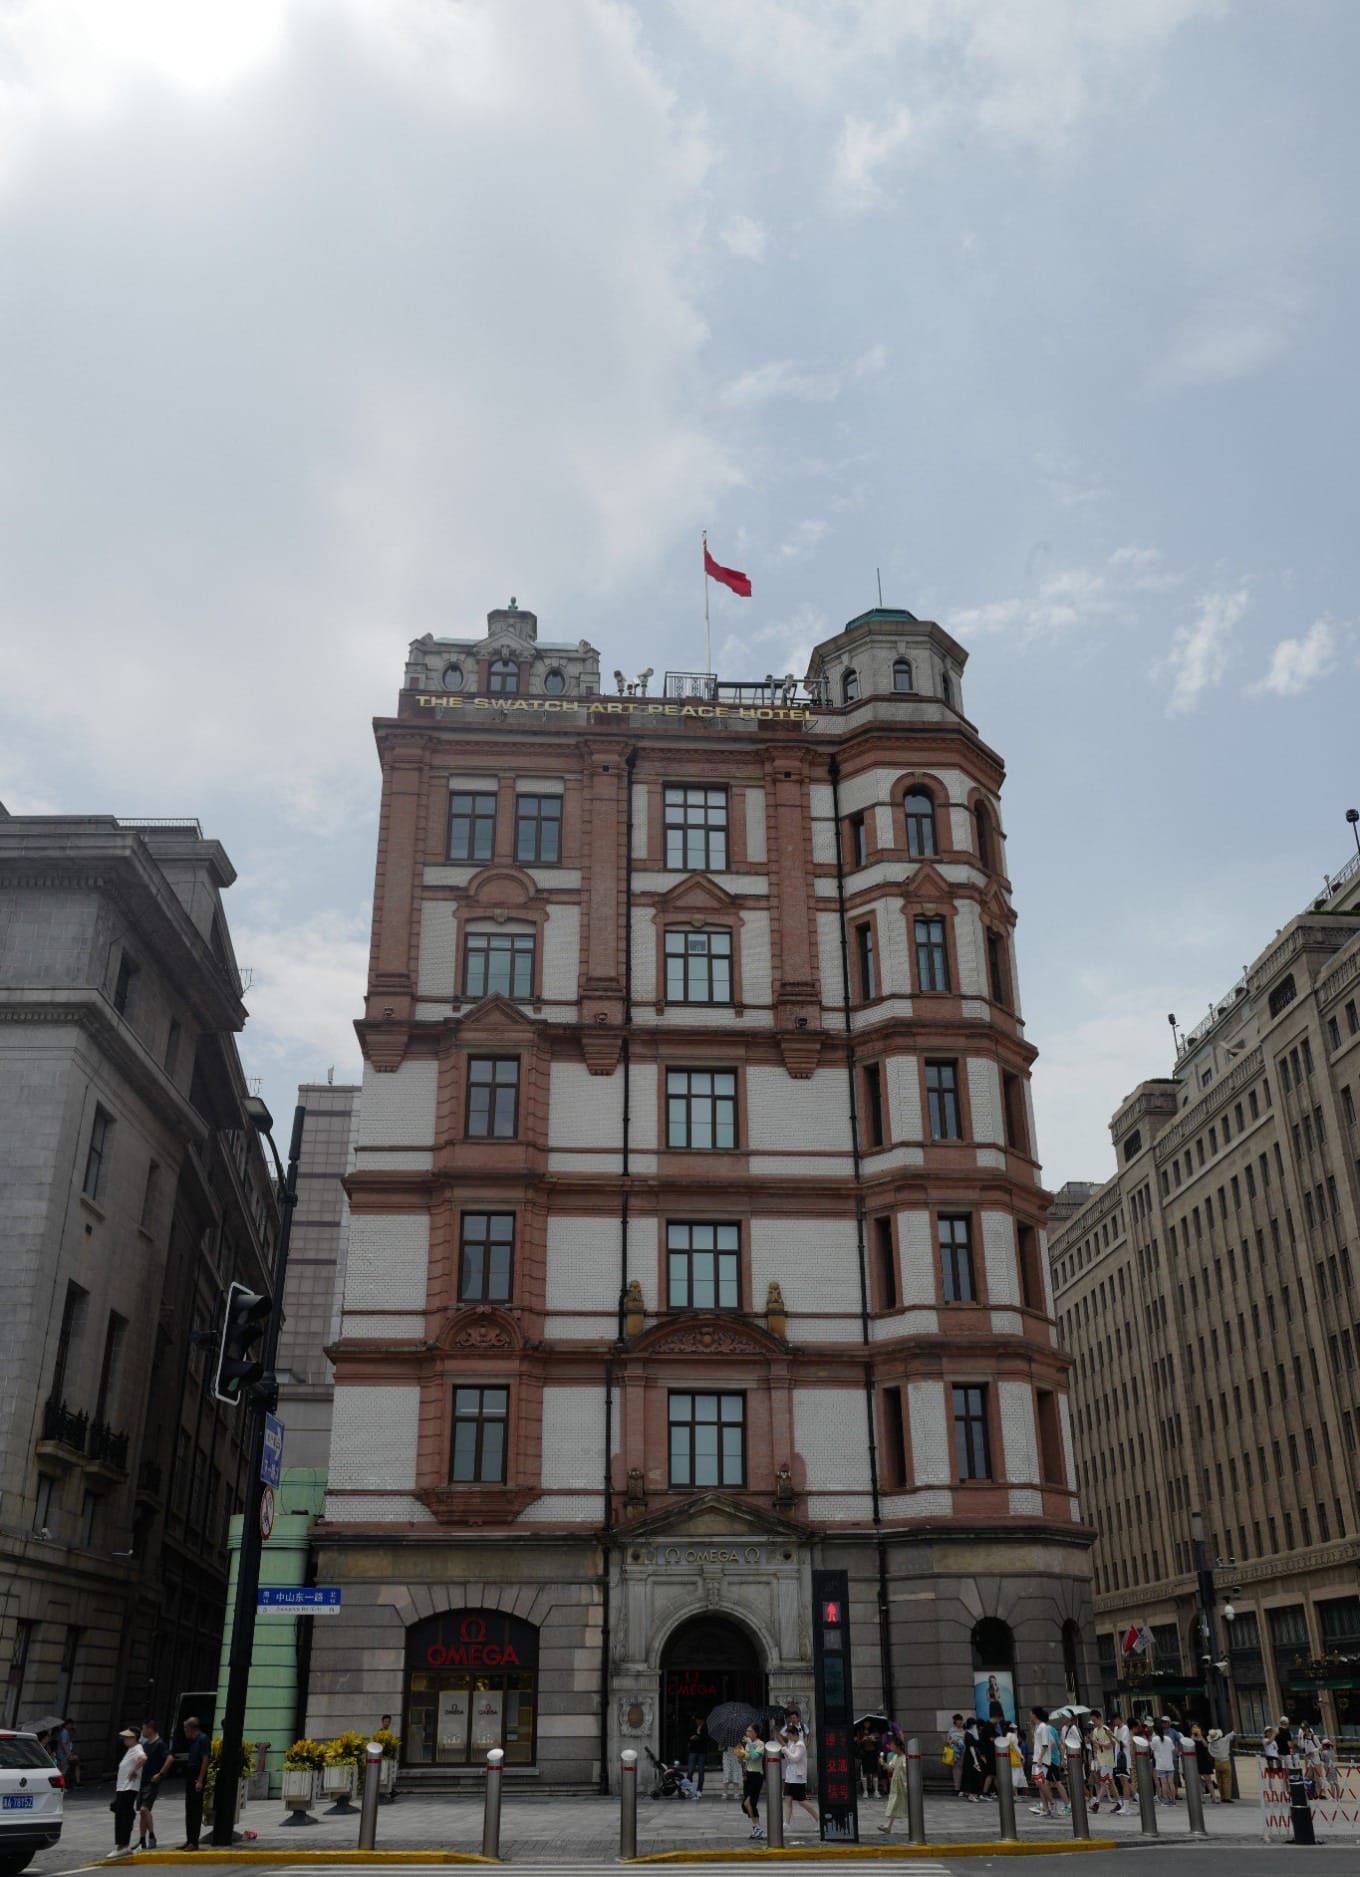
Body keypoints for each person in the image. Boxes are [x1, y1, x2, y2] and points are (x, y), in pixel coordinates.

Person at [779, 1715, 819, 1832]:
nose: (789, 1738)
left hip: (798, 1777)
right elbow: (790, 1759)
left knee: (802, 1801)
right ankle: (786, 1823)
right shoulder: (792, 1744)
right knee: (787, 1799)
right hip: (790, 1776)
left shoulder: (801, 1745)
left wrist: (785, 1750)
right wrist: (786, 1751)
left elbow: (795, 1758)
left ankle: (818, 1819)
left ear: (795, 1735)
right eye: (788, 1736)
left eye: (790, 1736)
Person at [111, 1726, 146, 1858]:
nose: (124, 1740)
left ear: (133, 1738)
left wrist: (134, 1770)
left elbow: (143, 1758)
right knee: (121, 1815)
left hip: (128, 1788)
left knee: (123, 1817)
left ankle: (122, 1845)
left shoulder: (137, 1748)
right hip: (122, 1788)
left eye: (127, 1737)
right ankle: (122, 1845)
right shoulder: (131, 1750)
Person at [138, 1719, 172, 1850]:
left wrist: (160, 1774)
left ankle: (151, 1835)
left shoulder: (160, 1744)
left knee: (144, 1809)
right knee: (142, 1812)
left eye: (143, 1728)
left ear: (149, 1729)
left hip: (152, 1782)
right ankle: (142, 1839)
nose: (142, 1731)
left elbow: (170, 1758)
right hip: (143, 1780)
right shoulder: (146, 1745)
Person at [182, 1717, 210, 1850]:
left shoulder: (203, 1739)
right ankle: (189, 1840)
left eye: (186, 1729)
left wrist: (200, 1780)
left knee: (195, 1810)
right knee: (189, 1810)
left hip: (197, 1778)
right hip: (190, 1777)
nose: (185, 1732)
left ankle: (194, 1841)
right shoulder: (193, 1741)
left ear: (192, 1728)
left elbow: (205, 1759)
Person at [737, 1723, 765, 1839]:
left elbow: (754, 1757)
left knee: (749, 1802)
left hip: (756, 1775)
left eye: (749, 1731)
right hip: (748, 1775)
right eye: (747, 1731)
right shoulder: (747, 1745)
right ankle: (756, 1827)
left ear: (755, 1733)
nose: (747, 1733)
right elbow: (746, 1761)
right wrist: (740, 1758)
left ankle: (757, 1828)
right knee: (747, 1805)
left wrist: (749, 1743)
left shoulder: (760, 1744)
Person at [877, 1729, 908, 1834]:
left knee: (896, 1804)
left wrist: (906, 1783)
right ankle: (888, 1826)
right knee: (894, 1803)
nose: (891, 1747)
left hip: (902, 1784)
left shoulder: (904, 1758)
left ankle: (888, 1826)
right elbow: (891, 1768)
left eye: (893, 1745)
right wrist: (883, 1763)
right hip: (895, 1784)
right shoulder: (895, 1757)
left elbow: (906, 1771)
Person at [1028, 1707, 1055, 1819]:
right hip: (1037, 1759)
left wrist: (1040, 1758)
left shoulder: (1043, 1727)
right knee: (1038, 1784)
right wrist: (1031, 1729)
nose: (1030, 1715)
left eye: (1031, 1713)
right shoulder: (1037, 1727)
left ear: (1035, 1714)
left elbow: (1045, 1745)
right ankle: (1045, 1808)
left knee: (1041, 1783)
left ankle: (1052, 1802)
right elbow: (1036, 1742)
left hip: (1042, 1760)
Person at [1089, 1712, 1116, 1813]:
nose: (1093, 1722)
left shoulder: (1106, 1729)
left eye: (1094, 1720)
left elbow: (1111, 1744)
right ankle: (1119, 1803)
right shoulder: (1095, 1731)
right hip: (1101, 1759)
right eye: (1092, 1720)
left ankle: (1096, 1803)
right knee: (1110, 1783)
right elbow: (1097, 1747)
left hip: (1107, 1760)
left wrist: (1097, 1743)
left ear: (1099, 1718)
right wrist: (1093, 1743)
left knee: (1104, 1782)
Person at [1205, 1727, 1234, 1804]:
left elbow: (1210, 1753)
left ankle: (1222, 1795)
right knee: (1227, 1780)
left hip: (1217, 1762)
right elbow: (1232, 1733)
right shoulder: (1224, 1740)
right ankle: (1227, 1797)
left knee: (1219, 1779)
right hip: (1225, 1761)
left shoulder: (1211, 1745)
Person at [1150, 1721, 1177, 1805]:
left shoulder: (1154, 1739)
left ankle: (1165, 1801)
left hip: (1160, 1764)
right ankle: (1173, 1800)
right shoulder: (1168, 1739)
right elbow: (1174, 1751)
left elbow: (1152, 1750)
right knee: (1171, 1783)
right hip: (1169, 1764)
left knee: (1163, 1783)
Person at [959, 1721, 986, 1801]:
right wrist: (975, 1760)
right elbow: (971, 1747)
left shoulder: (972, 1734)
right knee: (973, 1775)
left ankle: (974, 1794)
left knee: (975, 1775)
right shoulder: (968, 1734)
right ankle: (971, 1794)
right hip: (971, 1757)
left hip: (973, 1757)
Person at [858, 1723, 882, 1799]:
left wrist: (873, 1739)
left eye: (868, 1723)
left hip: (873, 1753)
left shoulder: (874, 1731)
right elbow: (858, 1742)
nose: (867, 1724)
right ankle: (865, 1791)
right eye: (865, 1723)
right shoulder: (860, 1731)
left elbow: (878, 1740)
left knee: (875, 1771)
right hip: (865, 1753)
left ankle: (876, 1791)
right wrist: (863, 1739)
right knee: (865, 1772)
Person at [686, 1716, 707, 1795]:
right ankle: (689, 1788)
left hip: (702, 1751)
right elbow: (688, 1736)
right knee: (690, 1770)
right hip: (693, 1751)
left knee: (701, 1771)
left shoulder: (706, 1728)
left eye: (700, 1720)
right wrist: (692, 1737)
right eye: (697, 1720)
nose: (698, 1722)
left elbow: (707, 1739)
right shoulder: (692, 1726)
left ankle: (699, 1789)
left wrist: (699, 1735)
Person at [946, 1714, 966, 1795]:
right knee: (956, 1770)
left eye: (961, 1721)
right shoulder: (951, 1730)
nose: (960, 1722)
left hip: (964, 1751)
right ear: (955, 1722)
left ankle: (963, 1787)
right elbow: (947, 1741)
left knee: (963, 1768)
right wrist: (953, 1742)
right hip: (954, 1751)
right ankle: (957, 1788)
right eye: (958, 1721)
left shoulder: (964, 1730)